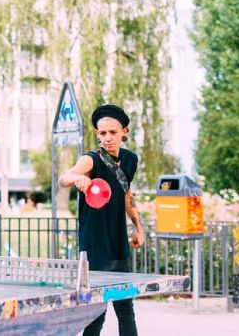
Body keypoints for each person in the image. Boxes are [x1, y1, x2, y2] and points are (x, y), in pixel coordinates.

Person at [58, 104, 145, 336]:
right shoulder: (90, 160)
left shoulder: (130, 160)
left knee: (126, 310)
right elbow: (63, 178)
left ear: (124, 131)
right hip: (94, 246)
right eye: (102, 133)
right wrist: (77, 178)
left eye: (112, 133)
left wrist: (138, 227)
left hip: (118, 244)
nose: (107, 138)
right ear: (97, 134)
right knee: (96, 315)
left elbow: (127, 194)